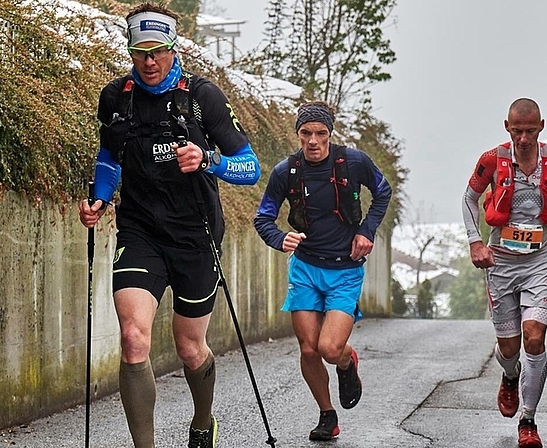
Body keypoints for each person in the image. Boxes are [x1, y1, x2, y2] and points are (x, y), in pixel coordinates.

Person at [78, 3, 260, 447]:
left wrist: (208, 160)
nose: (149, 62)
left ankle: (203, 420)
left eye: (157, 51)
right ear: (131, 51)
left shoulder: (202, 97)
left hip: (195, 235)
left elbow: (250, 166)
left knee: (189, 347)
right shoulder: (117, 98)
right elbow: (109, 157)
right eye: (140, 52)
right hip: (140, 231)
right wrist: (100, 198)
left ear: (172, 48)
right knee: (133, 337)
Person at [253, 101, 392, 441]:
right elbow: (263, 217)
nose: (313, 141)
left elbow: (383, 191)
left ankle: (347, 363)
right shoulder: (286, 172)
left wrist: (366, 230)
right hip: (305, 268)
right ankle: (327, 415)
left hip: (345, 270)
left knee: (330, 348)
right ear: (298, 134)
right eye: (306, 134)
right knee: (309, 349)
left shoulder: (354, 162)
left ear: (330, 134)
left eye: (320, 133)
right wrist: (279, 238)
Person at [461, 98, 547, 448]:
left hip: (538, 261)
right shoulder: (491, 160)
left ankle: (528, 421)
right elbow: (469, 198)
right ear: (507, 127)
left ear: (541, 126)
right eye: (517, 131)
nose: (524, 138)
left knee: (534, 337)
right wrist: (475, 243)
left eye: (530, 131)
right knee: (510, 347)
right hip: (499, 262)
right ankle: (509, 374)